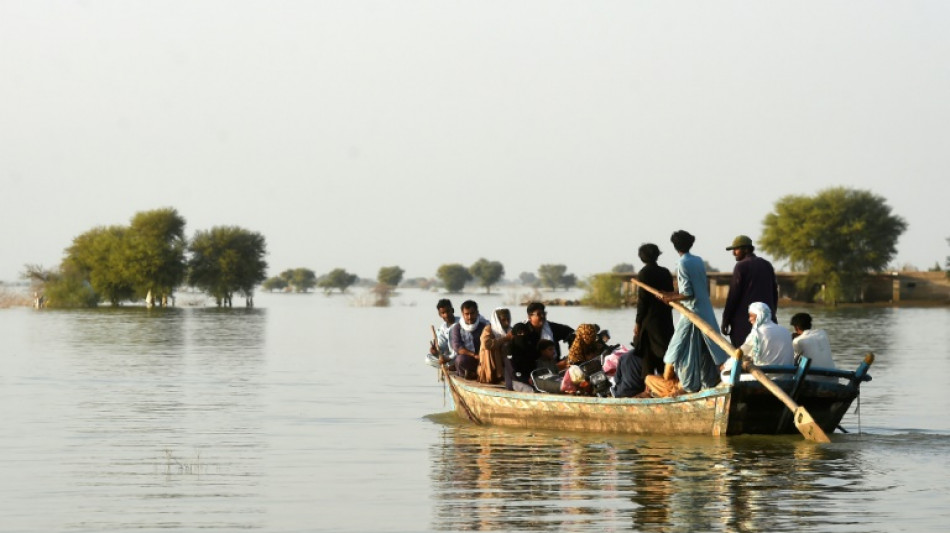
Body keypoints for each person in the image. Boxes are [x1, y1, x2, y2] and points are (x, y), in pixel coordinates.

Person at [644, 230, 729, 397]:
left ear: (675, 246)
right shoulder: (698, 260)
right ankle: (708, 383)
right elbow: (695, 288)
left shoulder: (682, 263)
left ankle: (682, 384)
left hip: (692, 313)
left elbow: (688, 293)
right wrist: (670, 295)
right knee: (706, 349)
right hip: (705, 311)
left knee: (675, 349)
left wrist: (669, 298)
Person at [721, 235, 779, 348]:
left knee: (744, 354)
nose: (734, 253)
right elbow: (774, 293)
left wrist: (725, 320)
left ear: (746, 249)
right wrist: (772, 314)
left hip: (744, 322)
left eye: (736, 249)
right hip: (768, 322)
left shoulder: (741, 266)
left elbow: (733, 296)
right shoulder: (767, 265)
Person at [633, 243, 675, 379]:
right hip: (665, 320)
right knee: (665, 353)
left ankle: (649, 388)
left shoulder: (644, 273)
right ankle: (667, 381)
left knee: (648, 356)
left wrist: (638, 323)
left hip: (650, 322)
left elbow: (642, 301)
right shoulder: (665, 272)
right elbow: (670, 296)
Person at [739, 302, 794, 366]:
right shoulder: (785, 331)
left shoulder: (757, 333)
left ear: (759, 316)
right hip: (786, 375)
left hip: (764, 374)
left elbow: (740, 353)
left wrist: (725, 366)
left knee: (725, 373)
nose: (749, 319)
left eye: (751, 316)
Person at [790, 312, 837, 381]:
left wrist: (793, 340)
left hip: (812, 380)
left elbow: (793, 361)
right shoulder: (823, 333)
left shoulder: (797, 341)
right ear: (810, 324)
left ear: (796, 327)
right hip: (833, 379)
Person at [449, 300, 489, 379]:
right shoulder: (457, 328)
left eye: (472, 313)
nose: (469, 317)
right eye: (467, 314)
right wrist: (474, 355)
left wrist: (482, 355)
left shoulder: (484, 326)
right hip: (468, 359)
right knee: (460, 360)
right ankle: (469, 375)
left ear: (477, 312)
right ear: (462, 314)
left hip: (483, 358)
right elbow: (458, 347)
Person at [478, 307, 512, 384]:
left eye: (508, 319)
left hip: (505, 363)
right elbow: (486, 344)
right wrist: (505, 338)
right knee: (490, 348)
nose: (507, 323)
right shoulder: (488, 329)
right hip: (490, 366)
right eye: (503, 320)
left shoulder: (510, 330)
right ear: (497, 320)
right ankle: (496, 376)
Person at [427, 299, 459, 367]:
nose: (446, 315)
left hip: (459, 356)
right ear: (440, 314)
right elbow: (441, 347)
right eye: (443, 313)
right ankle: (450, 365)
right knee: (428, 358)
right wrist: (435, 351)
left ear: (452, 310)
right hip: (449, 358)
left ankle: (454, 365)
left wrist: (449, 358)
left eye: (448, 311)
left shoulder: (461, 323)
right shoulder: (443, 327)